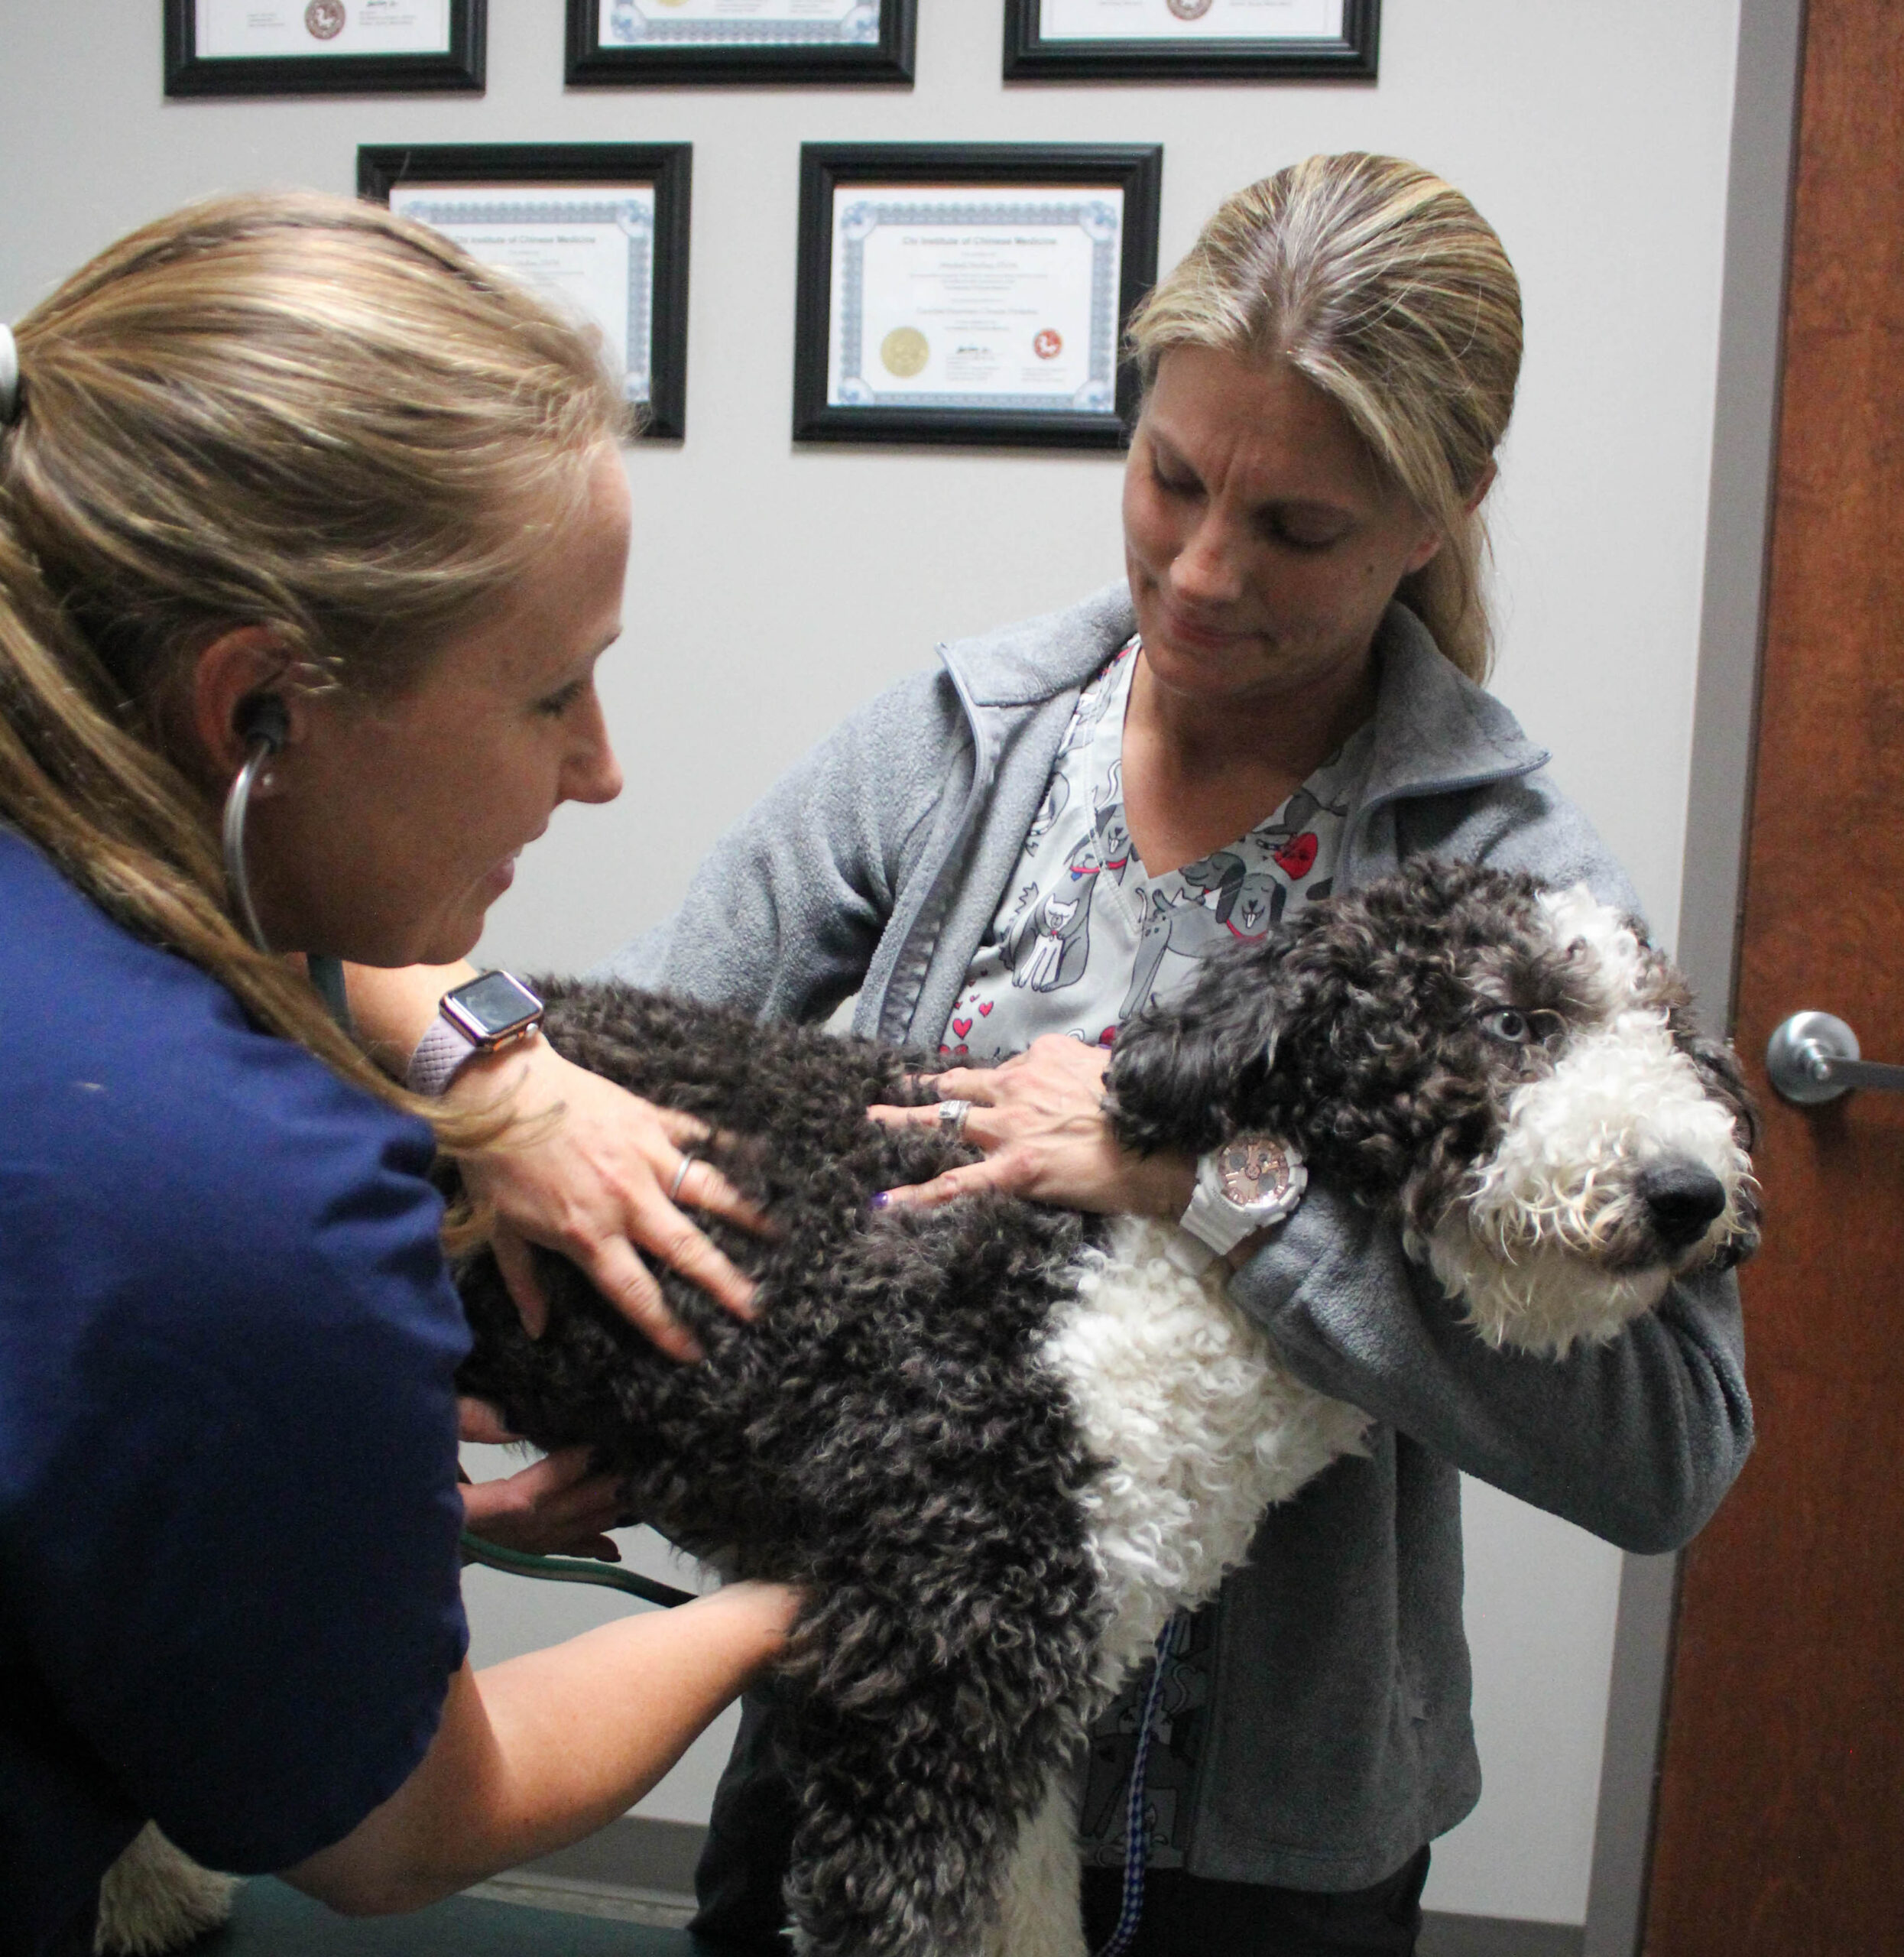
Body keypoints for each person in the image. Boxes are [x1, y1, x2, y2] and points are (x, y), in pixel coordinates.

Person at [354, 154, 1753, 1956]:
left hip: (1258, 1819)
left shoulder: (1510, 888)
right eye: (1170, 478)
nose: (1202, 569)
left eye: (1295, 528)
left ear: (1440, 511)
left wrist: (1210, 1185)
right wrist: (573, 1242)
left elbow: (1668, 1451)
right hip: (879, 1679)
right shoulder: (971, 736)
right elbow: (610, 1049)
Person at [0, 194, 803, 1957]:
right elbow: (401, 1833)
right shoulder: (238, 1187)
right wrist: (812, 1602)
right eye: (550, 695)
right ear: (256, 709)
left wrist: (487, 1050)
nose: (599, 769)